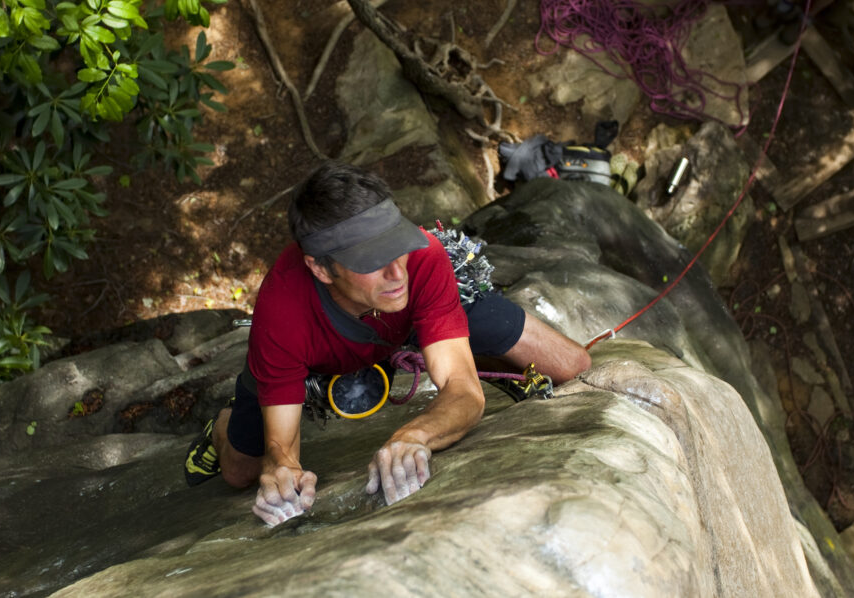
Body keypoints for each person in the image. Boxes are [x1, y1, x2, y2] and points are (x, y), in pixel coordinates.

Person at [183, 161, 592, 526]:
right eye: (372, 261)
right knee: (239, 473)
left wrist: (413, 435)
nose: (397, 272)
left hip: (414, 319)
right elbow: (281, 447)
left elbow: (463, 391)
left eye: (398, 246)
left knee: (569, 365)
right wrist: (283, 473)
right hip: (323, 349)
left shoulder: (424, 260)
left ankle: (464, 346)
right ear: (321, 268)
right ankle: (221, 424)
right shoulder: (283, 309)